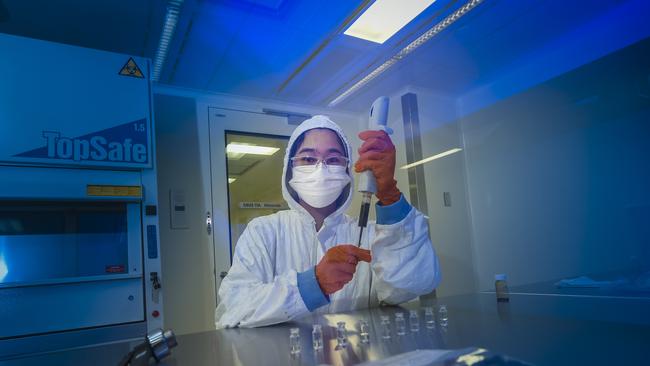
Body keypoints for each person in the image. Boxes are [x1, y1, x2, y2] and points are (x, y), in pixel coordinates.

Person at [215, 115, 441, 328]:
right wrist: (312, 284)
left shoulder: (372, 235)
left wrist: (390, 195)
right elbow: (232, 309)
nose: (320, 168)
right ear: (290, 168)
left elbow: (414, 284)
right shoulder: (264, 231)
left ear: (348, 169)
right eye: (308, 158)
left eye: (333, 159)